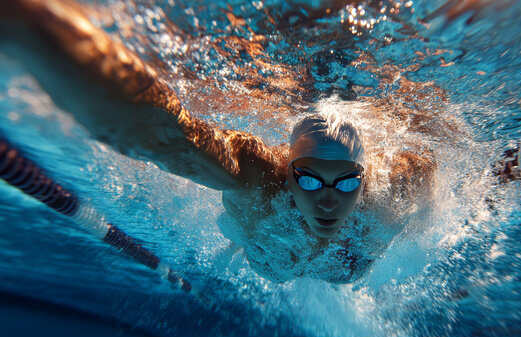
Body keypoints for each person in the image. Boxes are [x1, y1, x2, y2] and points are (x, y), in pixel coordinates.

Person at [1, 0, 435, 283]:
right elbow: (169, 136)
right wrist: (33, 27)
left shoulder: (390, 186)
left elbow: (429, 174)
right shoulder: (258, 183)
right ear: (287, 170)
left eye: (345, 183)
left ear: (364, 177)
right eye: (308, 180)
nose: (327, 200)